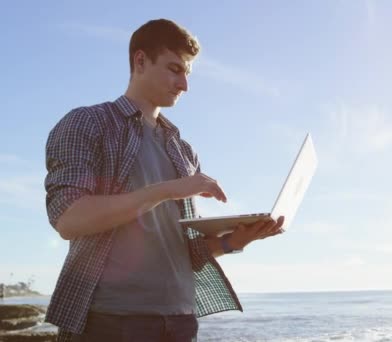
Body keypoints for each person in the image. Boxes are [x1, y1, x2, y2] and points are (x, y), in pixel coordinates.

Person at [44, 18, 284, 342]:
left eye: (187, 73)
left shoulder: (183, 151)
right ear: (140, 61)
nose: (184, 84)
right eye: (174, 69)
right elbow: (69, 219)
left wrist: (236, 241)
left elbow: (187, 252)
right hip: (110, 321)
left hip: (181, 321)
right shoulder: (88, 123)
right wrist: (169, 190)